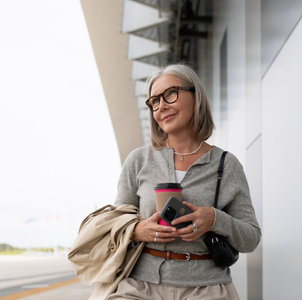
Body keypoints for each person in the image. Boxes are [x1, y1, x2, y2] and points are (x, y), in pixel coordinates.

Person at [107, 64, 261, 299]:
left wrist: (214, 219)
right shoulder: (139, 160)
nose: (161, 106)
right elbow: (114, 227)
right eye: (154, 101)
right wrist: (137, 230)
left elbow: (251, 238)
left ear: (195, 96)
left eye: (170, 94)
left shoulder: (226, 164)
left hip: (206, 287)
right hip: (141, 286)